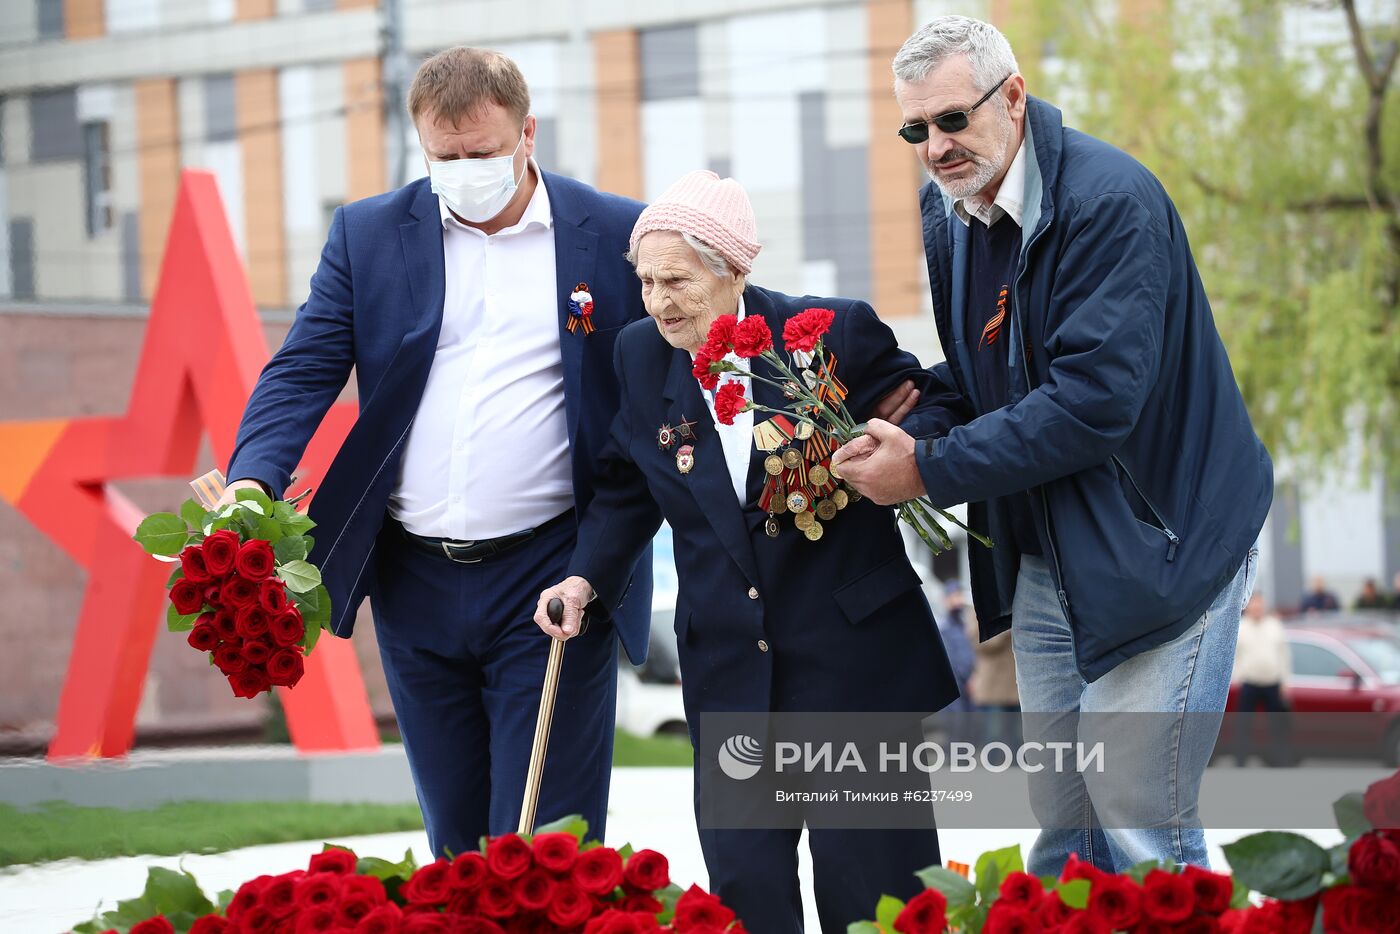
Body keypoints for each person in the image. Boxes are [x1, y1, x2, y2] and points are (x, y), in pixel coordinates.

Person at [831, 16, 1272, 875]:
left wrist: (923, 468)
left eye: (954, 119)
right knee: (1065, 821)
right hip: (1045, 556)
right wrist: (907, 422)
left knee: (1141, 818)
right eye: (915, 129)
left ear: (1015, 98)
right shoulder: (952, 209)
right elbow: (983, 377)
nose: (936, 146)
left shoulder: (1109, 202)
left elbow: (1090, 402)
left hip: (1163, 547)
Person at [221, 48, 655, 857]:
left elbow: (677, 364)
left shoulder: (616, 233)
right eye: (444, 157)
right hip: (413, 581)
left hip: (556, 574)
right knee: (455, 845)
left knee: (539, 846)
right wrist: (252, 482)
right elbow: (303, 370)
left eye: (482, 153)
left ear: (527, 134)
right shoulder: (370, 234)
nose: (464, 171)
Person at [533, 170, 959, 933]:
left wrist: (902, 453)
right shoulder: (640, 355)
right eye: (645, 281)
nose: (659, 300)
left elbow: (934, 406)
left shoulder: (830, 333)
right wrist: (584, 577)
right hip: (731, 667)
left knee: (875, 892)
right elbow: (627, 485)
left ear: (732, 269)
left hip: (850, 664)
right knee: (745, 890)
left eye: (677, 280)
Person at [1231, 593, 1292, 766]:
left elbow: (1284, 655)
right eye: (1254, 604)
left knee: (1276, 726)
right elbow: (1233, 656)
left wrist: (1285, 681)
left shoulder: (1275, 626)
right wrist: (1238, 675)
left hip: (1272, 684)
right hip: (1250, 684)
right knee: (1244, 725)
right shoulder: (1241, 627)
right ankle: (1240, 762)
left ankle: (1280, 761)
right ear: (1248, 606)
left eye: (1260, 604)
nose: (1257, 608)